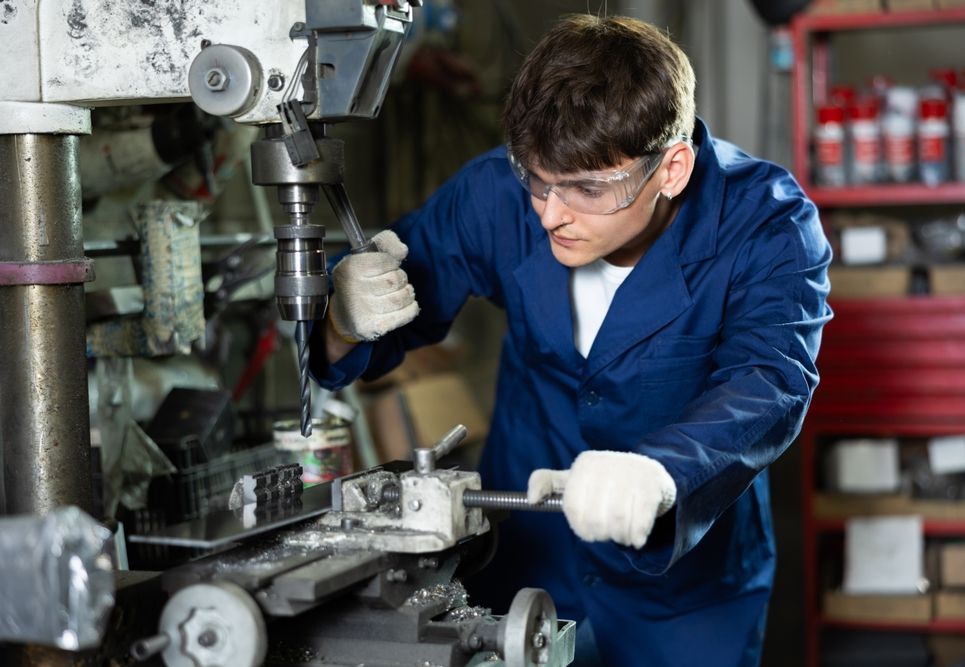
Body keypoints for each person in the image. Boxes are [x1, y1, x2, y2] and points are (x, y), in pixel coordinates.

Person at [310, 13, 832, 667]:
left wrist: (662, 471)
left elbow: (770, 379)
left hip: (683, 590)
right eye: (538, 179)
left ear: (670, 170)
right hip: (525, 555)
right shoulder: (497, 192)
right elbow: (380, 315)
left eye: (587, 189)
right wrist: (341, 319)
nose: (551, 212)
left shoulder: (767, 222)